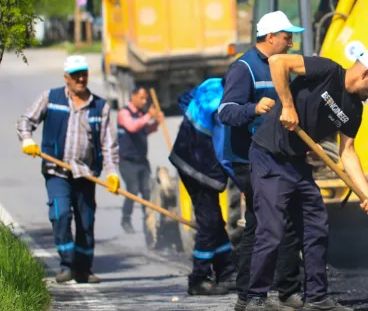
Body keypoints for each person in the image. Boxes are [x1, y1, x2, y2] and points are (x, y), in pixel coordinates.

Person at [244, 50, 368, 311]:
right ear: (366, 73)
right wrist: (287, 106)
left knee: (317, 225)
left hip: (298, 164)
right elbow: (278, 62)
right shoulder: (326, 70)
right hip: (270, 156)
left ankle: (317, 298)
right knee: (272, 227)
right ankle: (256, 296)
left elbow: (347, 152)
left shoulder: (354, 110)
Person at [216, 11, 306, 311]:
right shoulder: (244, 68)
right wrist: (253, 108)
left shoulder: (283, 66)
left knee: (286, 220)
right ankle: (249, 294)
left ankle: (285, 291)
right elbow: (226, 112)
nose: (291, 43)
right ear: (270, 38)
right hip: (249, 158)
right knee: (263, 222)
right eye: (286, 37)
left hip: (278, 155)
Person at [18, 55, 120, 284]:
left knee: (86, 221)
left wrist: (112, 172)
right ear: (66, 78)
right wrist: (27, 139)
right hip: (57, 170)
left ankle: (83, 270)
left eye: (84, 74)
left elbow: (109, 144)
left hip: (85, 173)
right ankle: (67, 264)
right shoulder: (51, 98)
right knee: (60, 214)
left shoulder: (100, 106)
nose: (81, 79)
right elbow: (26, 120)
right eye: (76, 75)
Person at [170, 78, 236, 296]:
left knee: (215, 218)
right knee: (208, 222)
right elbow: (225, 152)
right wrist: (240, 180)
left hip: (182, 155)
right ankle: (198, 278)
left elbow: (184, 99)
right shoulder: (223, 108)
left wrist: (194, 129)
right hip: (201, 167)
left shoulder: (211, 84)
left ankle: (226, 271)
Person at [117, 86, 162, 234]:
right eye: (141, 98)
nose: (144, 101)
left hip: (142, 161)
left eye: (145, 99)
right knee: (133, 189)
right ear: (133, 96)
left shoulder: (142, 114)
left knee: (147, 191)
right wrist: (149, 116)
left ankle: (149, 223)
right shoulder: (124, 113)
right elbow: (132, 127)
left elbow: (144, 130)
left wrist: (156, 122)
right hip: (127, 161)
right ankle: (126, 219)